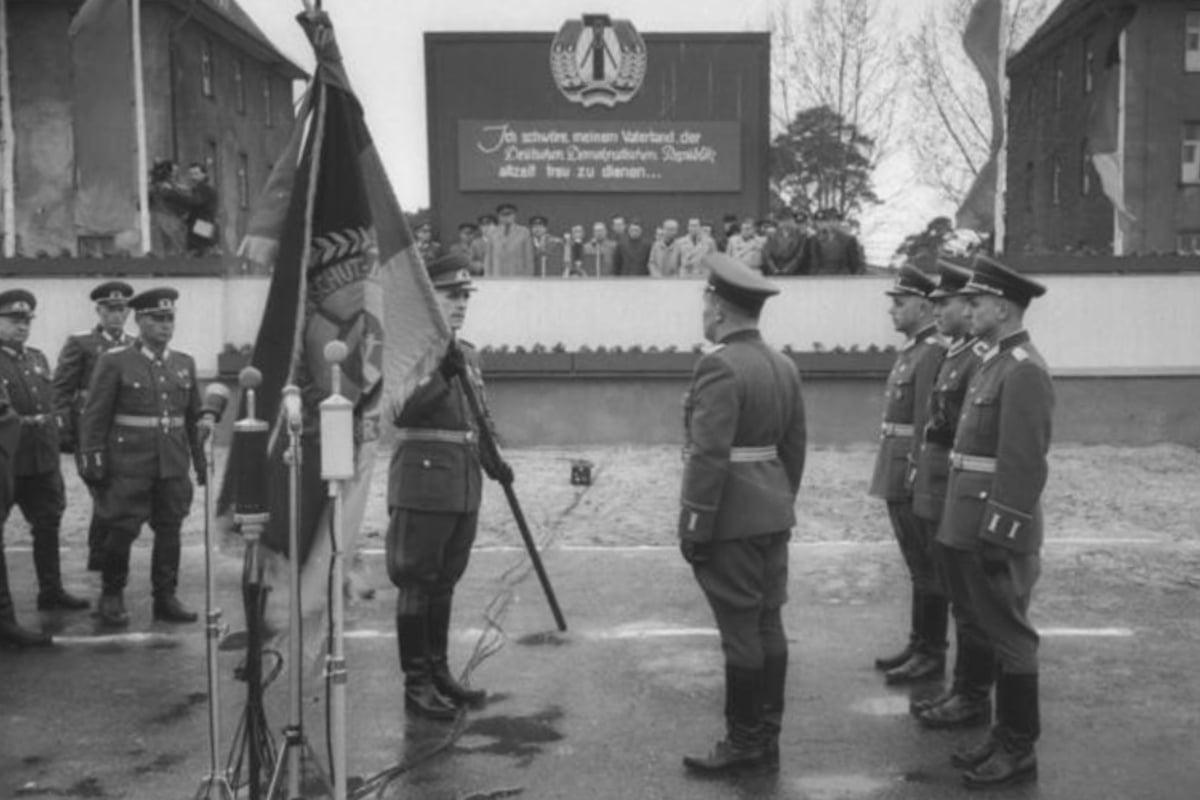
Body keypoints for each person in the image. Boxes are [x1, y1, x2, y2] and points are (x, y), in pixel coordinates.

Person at [679, 254, 806, 777]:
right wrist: (779, 500)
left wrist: (694, 524)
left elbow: (708, 456)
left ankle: (744, 740)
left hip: (730, 518)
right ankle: (767, 733)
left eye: (705, 302)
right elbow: (794, 447)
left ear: (717, 306)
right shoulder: (784, 365)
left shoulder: (720, 366)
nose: (703, 311)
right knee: (768, 622)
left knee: (740, 632)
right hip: (772, 512)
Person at [941, 256, 1052, 790]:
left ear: (1003, 308)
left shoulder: (1023, 368)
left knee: (1012, 636)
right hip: (971, 516)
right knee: (991, 626)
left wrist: (1000, 532)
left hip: (995, 524)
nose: (969, 309)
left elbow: (1023, 462)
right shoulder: (993, 362)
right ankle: (1003, 733)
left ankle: (1018, 746)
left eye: (977, 301)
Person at [387, 252, 513, 720]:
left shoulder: (468, 353)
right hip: (423, 483)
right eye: (451, 295)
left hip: (462, 483)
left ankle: (439, 672)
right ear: (429, 300)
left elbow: (478, 418)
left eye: (465, 296)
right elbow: (401, 410)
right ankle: (416, 683)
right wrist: (441, 372)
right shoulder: (412, 352)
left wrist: (494, 460)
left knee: (444, 582)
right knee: (416, 581)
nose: (460, 304)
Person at [78, 287, 205, 628]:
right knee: (121, 529)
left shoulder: (183, 363)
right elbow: (95, 416)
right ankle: (111, 595)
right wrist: (92, 460)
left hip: (172, 462)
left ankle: (165, 597)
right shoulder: (115, 361)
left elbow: (192, 418)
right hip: (129, 463)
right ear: (140, 321)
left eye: (170, 319)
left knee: (170, 528)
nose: (166, 325)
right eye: (157, 319)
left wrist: (200, 462)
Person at [908, 262, 994, 730]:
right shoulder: (955, 353)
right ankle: (961, 687)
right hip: (942, 481)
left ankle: (971, 692)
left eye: (948, 303)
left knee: (970, 600)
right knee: (956, 591)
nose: (938, 310)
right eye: (936, 303)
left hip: (960, 488)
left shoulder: (978, 356)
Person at [868, 264, 947, 684]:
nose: (892, 311)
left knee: (927, 564)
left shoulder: (931, 351)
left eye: (900, 303)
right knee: (916, 563)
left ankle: (932, 651)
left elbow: (923, 420)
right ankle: (919, 643)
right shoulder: (913, 350)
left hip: (910, 469)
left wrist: (917, 469)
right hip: (895, 464)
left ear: (923, 306)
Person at [0, 289, 90, 635]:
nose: (22, 326)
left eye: (26, 321)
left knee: (48, 524)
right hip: (8, 460)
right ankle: (5, 618)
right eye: (14, 320)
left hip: (41, 459)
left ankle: (50, 591)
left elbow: (50, 404)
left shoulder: (36, 358)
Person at [52, 281, 135, 572]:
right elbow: (61, 389)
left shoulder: (135, 344)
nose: (116, 315)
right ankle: (100, 554)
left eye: (122, 309)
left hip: (123, 431)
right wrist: (64, 431)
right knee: (102, 490)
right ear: (99, 311)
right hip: (89, 430)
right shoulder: (82, 343)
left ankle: (102, 555)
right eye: (110, 309)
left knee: (117, 492)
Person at [148, 159, 189, 256]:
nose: (174, 174)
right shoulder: (163, 187)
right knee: (172, 245)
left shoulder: (165, 185)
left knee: (169, 246)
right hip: (167, 218)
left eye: (176, 171)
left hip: (165, 218)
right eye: (173, 171)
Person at [809, 207, 865, 274]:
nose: (831, 224)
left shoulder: (849, 240)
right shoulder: (816, 240)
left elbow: (855, 266)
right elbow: (814, 264)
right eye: (828, 221)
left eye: (834, 220)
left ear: (839, 222)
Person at [486, 202, 534, 276]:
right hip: (497, 275)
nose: (506, 217)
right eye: (503, 215)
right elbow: (488, 258)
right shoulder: (492, 233)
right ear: (499, 216)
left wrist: (529, 277)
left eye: (509, 214)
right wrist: (487, 277)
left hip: (517, 275)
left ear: (514, 216)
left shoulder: (524, 232)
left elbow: (528, 258)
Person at [182, 162, 219, 256]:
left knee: (199, 252)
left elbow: (196, 202)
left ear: (204, 174)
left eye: (196, 174)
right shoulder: (199, 188)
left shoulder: (203, 188)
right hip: (202, 223)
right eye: (191, 174)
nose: (193, 177)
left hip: (202, 224)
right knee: (201, 252)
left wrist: (179, 196)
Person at [762, 208, 811, 276]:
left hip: (793, 273)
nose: (785, 223)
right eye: (782, 220)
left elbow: (799, 256)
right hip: (773, 273)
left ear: (792, 221)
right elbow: (767, 255)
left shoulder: (800, 236)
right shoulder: (772, 236)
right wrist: (774, 269)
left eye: (788, 220)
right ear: (778, 221)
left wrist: (787, 269)